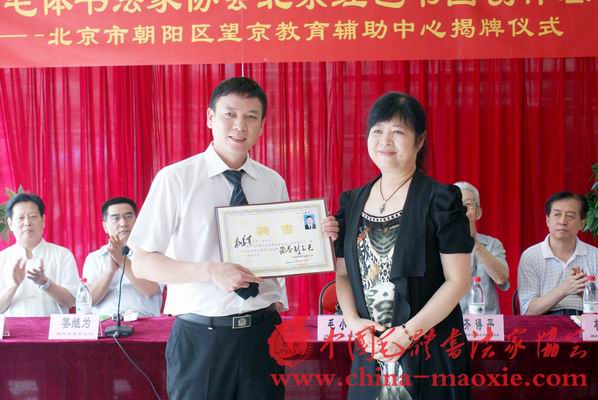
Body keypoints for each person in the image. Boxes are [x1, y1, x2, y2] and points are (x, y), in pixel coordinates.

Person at [128, 77, 338, 400]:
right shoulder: (176, 179)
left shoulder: (272, 182)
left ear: (262, 125)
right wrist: (210, 271)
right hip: (201, 337)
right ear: (210, 117)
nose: (240, 125)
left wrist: (317, 237)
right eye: (230, 114)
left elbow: (282, 249)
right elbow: (142, 263)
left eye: (251, 116)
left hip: (262, 335)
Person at [335, 92, 473, 400]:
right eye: (377, 130)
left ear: (419, 141)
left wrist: (408, 333)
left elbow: (458, 280)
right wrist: (354, 323)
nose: (385, 141)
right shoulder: (351, 202)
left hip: (429, 349)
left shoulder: (440, 200)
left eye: (398, 131)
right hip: (371, 350)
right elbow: (342, 275)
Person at [518, 192, 597, 316]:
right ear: (547, 220)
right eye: (557, 214)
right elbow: (528, 311)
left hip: (585, 320)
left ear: (581, 223)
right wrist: (563, 289)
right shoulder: (531, 256)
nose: (562, 221)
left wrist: (585, 293)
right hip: (544, 322)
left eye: (570, 216)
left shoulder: (595, 255)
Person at [0, 193, 79, 316]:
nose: (27, 222)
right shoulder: (2, 259)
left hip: (53, 328)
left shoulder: (62, 255)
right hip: (14, 328)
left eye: (33, 216)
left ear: (43, 221)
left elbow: (71, 302)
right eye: (20, 218)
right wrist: (13, 286)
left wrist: (45, 283)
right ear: (10, 224)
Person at [82, 197, 162, 317]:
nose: (123, 223)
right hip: (105, 324)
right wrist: (110, 271)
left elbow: (150, 290)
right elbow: (88, 301)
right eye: (116, 218)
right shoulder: (94, 258)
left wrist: (122, 260)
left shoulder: (151, 254)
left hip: (144, 322)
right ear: (105, 226)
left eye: (129, 216)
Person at [454, 181, 509, 314]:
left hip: (485, 321)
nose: (462, 211)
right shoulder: (436, 245)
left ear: (478, 213)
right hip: (453, 323)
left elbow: (501, 278)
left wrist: (474, 243)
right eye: (456, 206)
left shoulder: (492, 244)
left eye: (467, 205)